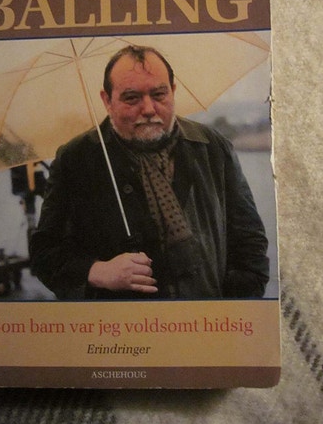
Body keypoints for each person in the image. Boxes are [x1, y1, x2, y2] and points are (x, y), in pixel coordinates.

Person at [29, 45, 270, 300]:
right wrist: (97, 271)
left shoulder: (212, 148)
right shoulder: (76, 159)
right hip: (124, 323)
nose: (148, 109)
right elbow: (45, 253)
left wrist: (235, 305)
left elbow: (250, 243)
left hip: (208, 319)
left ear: (173, 91)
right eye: (132, 98)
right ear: (107, 100)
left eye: (158, 94)